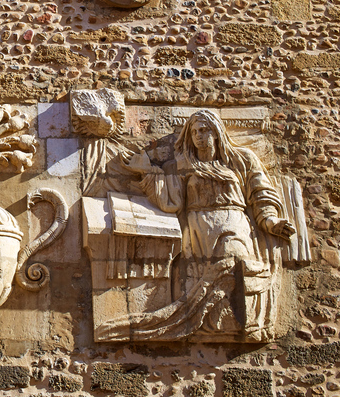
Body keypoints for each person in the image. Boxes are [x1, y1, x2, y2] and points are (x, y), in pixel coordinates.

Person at [98, 110, 295, 341]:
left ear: (216, 131)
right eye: (194, 132)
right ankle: (208, 329)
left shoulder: (242, 159)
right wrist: (147, 171)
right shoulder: (182, 165)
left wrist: (270, 220)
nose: (199, 136)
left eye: (204, 130)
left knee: (234, 265)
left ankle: (241, 322)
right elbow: (172, 200)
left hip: (233, 224)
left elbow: (261, 194)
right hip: (198, 229)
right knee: (196, 278)